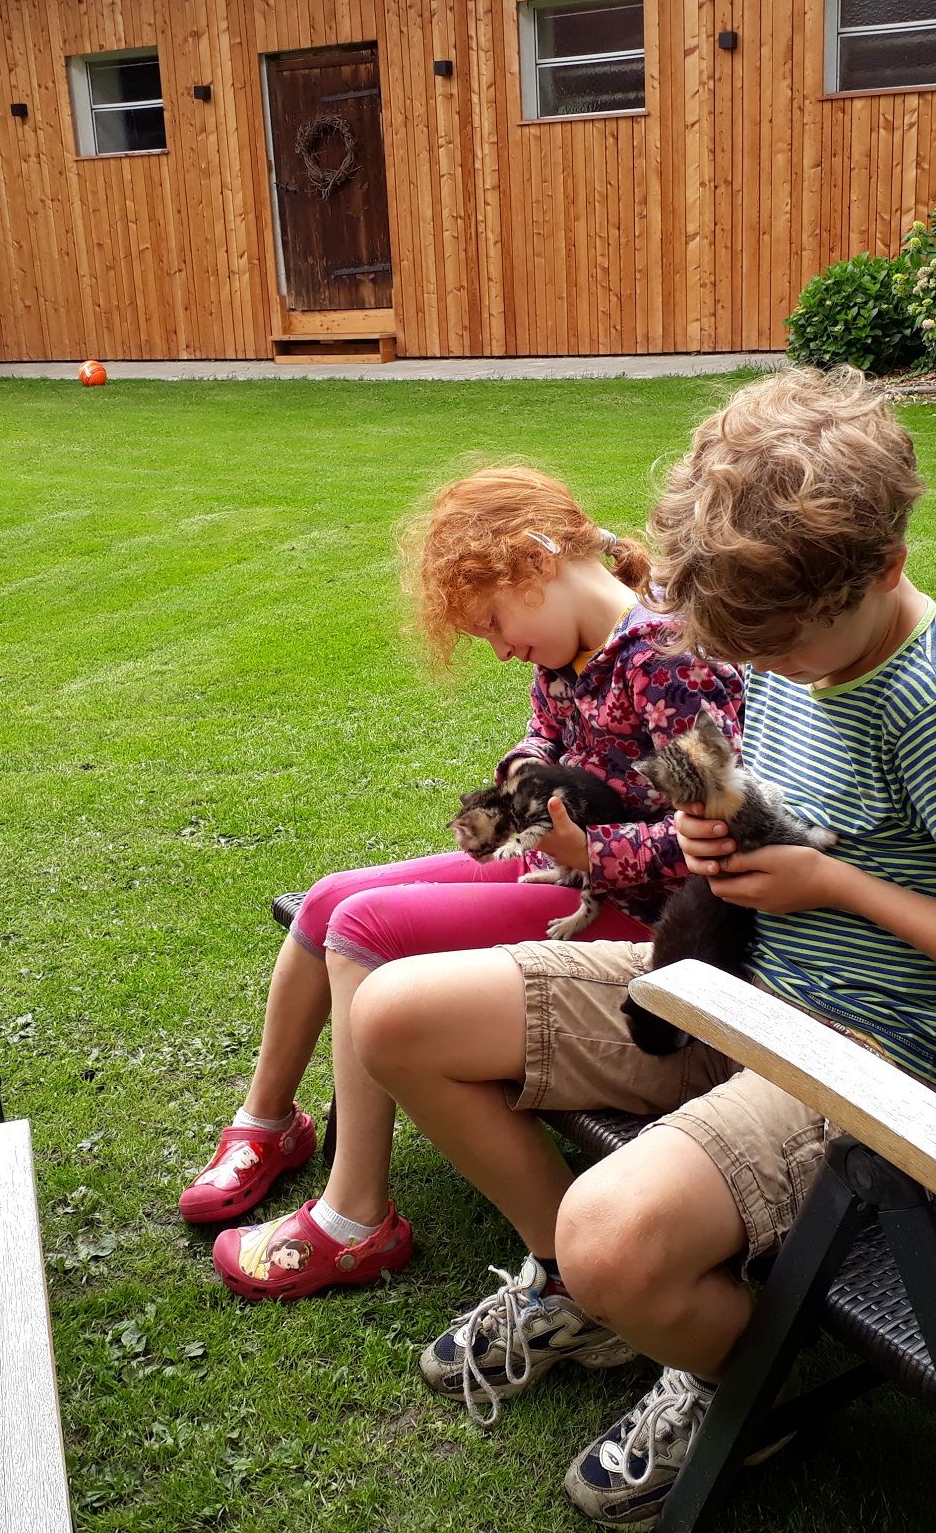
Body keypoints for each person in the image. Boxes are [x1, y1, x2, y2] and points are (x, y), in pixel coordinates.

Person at [350, 368, 936, 1525]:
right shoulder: (795, 628)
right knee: (393, 1016)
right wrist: (716, 818)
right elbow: (775, 769)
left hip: (870, 1055)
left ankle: (727, 1374)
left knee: (612, 1237)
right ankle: (578, 1294)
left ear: (884, 570)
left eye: (785, 651)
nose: (770, 671)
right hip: (742, 980)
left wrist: (831, 881)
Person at [183, 465, 746, 1302]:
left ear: (537, 558)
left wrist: (590, 855)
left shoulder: (666, 662)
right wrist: (525, 773)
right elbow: (542, 734)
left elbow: (713, 838)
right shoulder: (571, 651)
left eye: (493, 624)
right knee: (335, 894)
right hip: (561, 870)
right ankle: (271, 1124)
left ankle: (355, 1216)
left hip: (632, 915)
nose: (501, 647)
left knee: (366, 929)